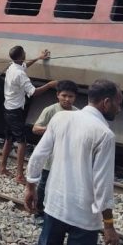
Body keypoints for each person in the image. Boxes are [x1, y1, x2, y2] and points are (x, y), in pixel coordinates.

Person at [23, 80, 122, 245]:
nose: (119, 108)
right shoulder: (104, 135)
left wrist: (30, 186)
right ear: (106, 102)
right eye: (118, 102)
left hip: (55, 207)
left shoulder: (60, 118)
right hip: (84, 219)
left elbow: (38, 155)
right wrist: (109, 225)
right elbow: (102, 184)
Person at [0, 46, 58, 184]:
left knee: (8, 139)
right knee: (22, 142)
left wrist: (38, 57)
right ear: (22, 55)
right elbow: (33, 92)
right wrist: (49, 85)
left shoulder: (12, 66)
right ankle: (19, 175)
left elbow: (24, 65)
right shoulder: (20, 74)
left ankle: (2, 167)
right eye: (24, 53)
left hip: (7, 108)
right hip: (15, 111)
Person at [31, 80, 79, 220]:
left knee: (62, 186)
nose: (67, 99)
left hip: (67, 157)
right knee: (44, 185)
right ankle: (39, 212)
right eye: (64, 95)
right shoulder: (51, 110)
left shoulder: (78, 113)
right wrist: (52, 129)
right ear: (58, 95)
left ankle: (55, 213)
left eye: (70, 96)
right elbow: (35, 128)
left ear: (75, 97)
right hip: (50, 158)